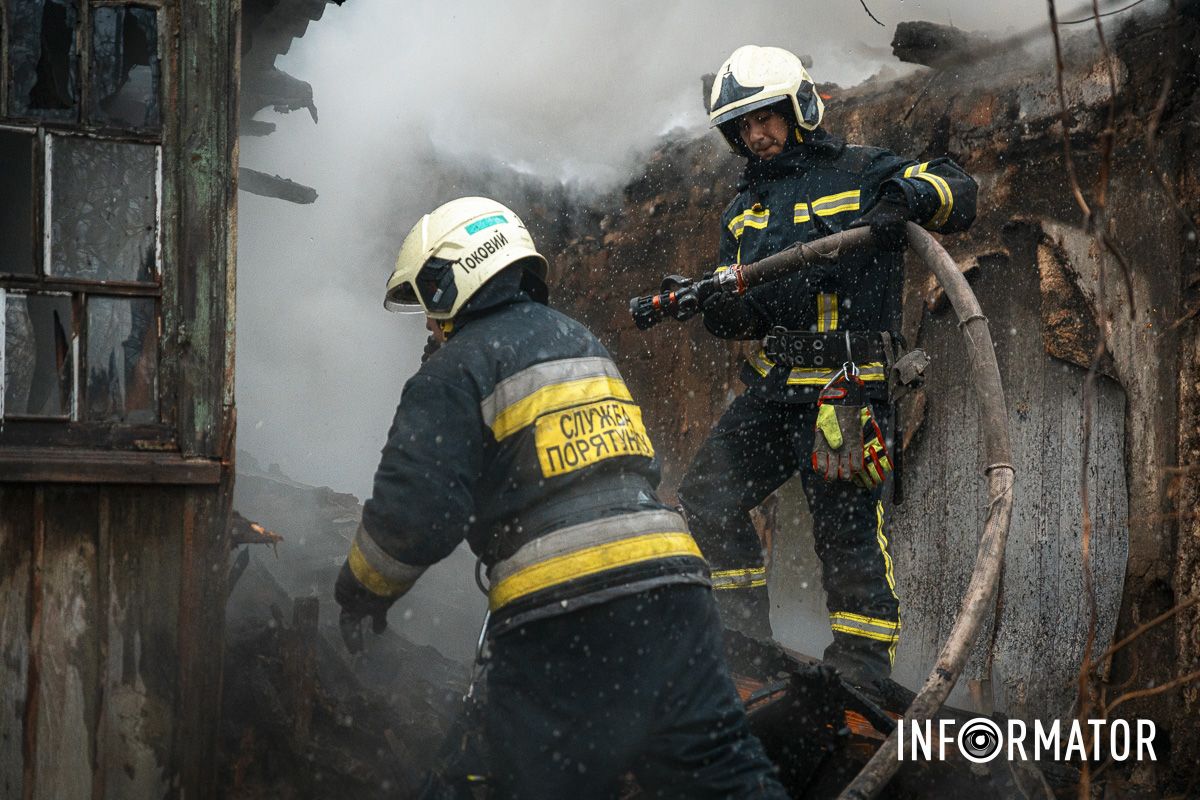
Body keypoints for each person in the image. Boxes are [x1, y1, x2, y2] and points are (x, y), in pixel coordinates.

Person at [334, 196, 789, 799]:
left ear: (452, 282)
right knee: (715, 768)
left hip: (568, 612)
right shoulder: (578, 339)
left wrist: (361, 591)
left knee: (488, 781)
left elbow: (414, 518)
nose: (427, 325)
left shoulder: (452, 372)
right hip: (676, 589)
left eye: (428, 305)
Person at [678, 45, 977, 689]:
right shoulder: (743, 212)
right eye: (743, 126)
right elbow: (756, 311)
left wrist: (905, 198)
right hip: (775, 392)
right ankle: (743, 641)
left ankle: (863, 677)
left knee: (846, 538)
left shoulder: (863, 171)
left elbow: (959, 188)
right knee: (705, 497)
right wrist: (720, 310)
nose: (756, 134)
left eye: (766, 117)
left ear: (799, 107)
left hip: (845, 396)